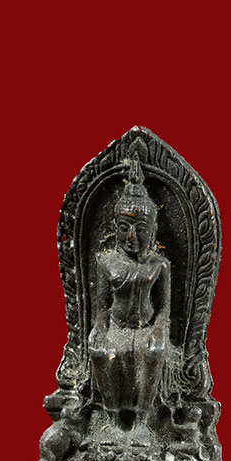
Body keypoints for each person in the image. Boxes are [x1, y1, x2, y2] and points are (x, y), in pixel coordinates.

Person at [88, 154, 170, 431]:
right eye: (124, 228)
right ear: (115, 228)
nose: (131, 237)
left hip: (145, 328)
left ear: (153, 230)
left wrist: (159, 328)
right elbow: (101, 308)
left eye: (140, 229)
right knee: (101, 350)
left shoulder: (159, 264)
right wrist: (99, 327)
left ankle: (143, 420)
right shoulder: (106, 262)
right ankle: (112, 419)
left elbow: (164, 309)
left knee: (154, 351)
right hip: (116, 326)